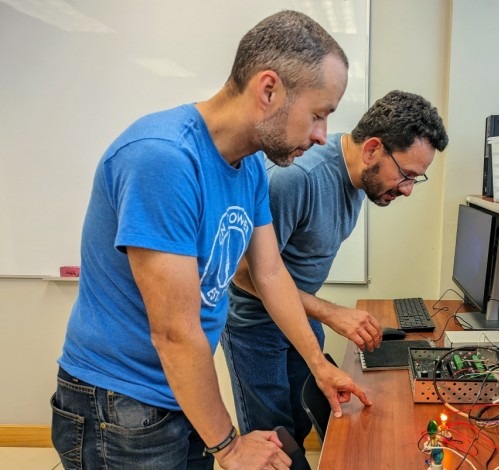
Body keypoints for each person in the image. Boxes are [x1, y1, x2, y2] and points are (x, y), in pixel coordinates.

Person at [51, 10, 371, 470]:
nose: (323, 136)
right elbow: (174, 332)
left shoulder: (251, 168)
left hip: (181, 390)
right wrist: (230, 446)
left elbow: (269, 273)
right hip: (119, 403)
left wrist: (319, 366)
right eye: (318, 115)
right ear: (268, 90)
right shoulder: (163, 159)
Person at [221, 90, 449, 453]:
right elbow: (245, 275)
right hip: (254, 327)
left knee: (298, 426)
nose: (407, 190)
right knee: (273, 445)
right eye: (406, 175)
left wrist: (322, 317)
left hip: (298, 315)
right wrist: (331, 312)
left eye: (415, 179)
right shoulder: (296, 179)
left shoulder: (362, 178)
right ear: (372, 149)